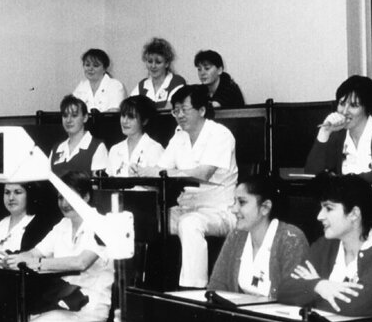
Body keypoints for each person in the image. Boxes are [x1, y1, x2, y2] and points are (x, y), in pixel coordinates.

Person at [137, 85, 238, 288]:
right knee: (145, 220)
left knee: (190, 224)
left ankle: (194, 290)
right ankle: (144, 285)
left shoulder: (220, 134)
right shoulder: (179, 136)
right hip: (186, 207)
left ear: (202, 110)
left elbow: (203, 173)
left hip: (218, 211)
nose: (180, 115)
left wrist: (163, 172)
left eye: (184, 109)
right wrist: (140, 171)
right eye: (176, 110)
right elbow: (160, 169)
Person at [276, 174, 372, 317]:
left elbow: (356, 306)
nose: (319, 216)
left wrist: (310, 290)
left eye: (329, 208)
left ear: (354, 214)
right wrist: (320, 286)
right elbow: (284, 289)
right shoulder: (325, 245)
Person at [8, 172, 113, 322]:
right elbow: (35, 253)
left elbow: (81, 262)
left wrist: (38, 263)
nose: (64, 203)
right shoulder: (63, 224)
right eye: (60, 198)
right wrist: (12, 259)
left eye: (69, 197)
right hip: (62, 299)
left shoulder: (102, 224)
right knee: (16, 321)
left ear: (86, 197)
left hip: (89, 305)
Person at [207, 174, 308, 298]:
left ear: (265, 207)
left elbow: (296, 297)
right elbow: (216, 288)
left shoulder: (291, 239)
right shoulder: (236, 236)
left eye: (242, 202)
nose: (234, 209)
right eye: (234, 202)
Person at [304, 75, 372, 183]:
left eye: (353, 105)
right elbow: (312, 174)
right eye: (342, 104)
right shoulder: (338, 134)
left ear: (366, 108)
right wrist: (324, 132)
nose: (345, 111)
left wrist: (340, 181)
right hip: (343, 192)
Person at [105, 95, 164, 177]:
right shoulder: (115, 149)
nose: (124, 121)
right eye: (123, 115)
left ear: (144, 121)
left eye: (131, 117)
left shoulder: (155, 148)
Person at [50, 94, 109, 177]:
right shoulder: (56, 149)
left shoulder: (97, 147)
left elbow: (98, 183)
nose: (68, 120)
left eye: (74, 115)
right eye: (65, 116)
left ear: (85, 118)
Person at [130, 37, 186, 109]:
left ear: (167, 63)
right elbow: (129, 108)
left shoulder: (177, 82)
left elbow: (167, 111)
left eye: (158, 62)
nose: (153, 66)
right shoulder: (141, 85)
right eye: (150, 61)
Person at [71, 48, 128, 112]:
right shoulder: (81, 86)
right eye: (87, 65)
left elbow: (114, 111)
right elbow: (70, 110)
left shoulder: (115, 85)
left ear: (104, 68)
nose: (90, 69)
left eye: (95, 66)